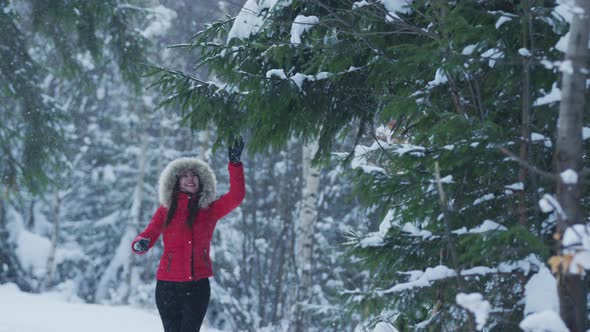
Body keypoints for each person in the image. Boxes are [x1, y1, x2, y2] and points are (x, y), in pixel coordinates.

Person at [132, 138, 245, 332]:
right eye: (184, 176)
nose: (190, 179)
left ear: (202, 180)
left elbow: (236, 196)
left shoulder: (210, 210)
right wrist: (140, 243)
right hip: (168, 285)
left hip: (197, 286)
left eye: (194, 175)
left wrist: (234, 164)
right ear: (176, 181)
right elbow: (149, 234)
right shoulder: (166, 210)